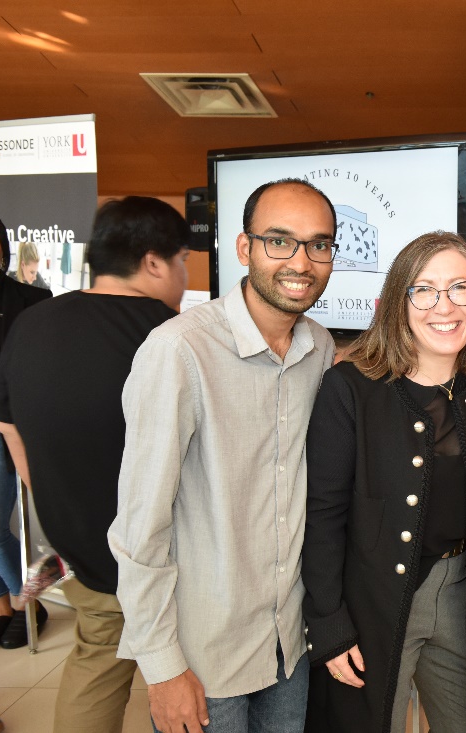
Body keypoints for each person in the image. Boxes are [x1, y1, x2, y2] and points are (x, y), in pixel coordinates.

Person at [108, 179, 338, 733]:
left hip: (288, 642)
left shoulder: (320, 348)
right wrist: (162, 669)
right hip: (204, 655)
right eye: (279, 241)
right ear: (244, 248)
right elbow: (141, 528)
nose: (300, 262)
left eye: (318, 244)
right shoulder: (179, 351)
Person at [0, 198, 188, 732]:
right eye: (181, 263)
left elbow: (6, 422)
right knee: (189, 674)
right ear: (153, 262)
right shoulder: (169, 334)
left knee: (99, 654)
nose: (183, 276)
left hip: (75, 543)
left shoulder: (33, 322)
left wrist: (54, 494)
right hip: (162, 553)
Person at [302, 231, 466, 733]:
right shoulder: (349, 389)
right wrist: (327, 623)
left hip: (465, 598)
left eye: (461, 287)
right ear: (398, 302)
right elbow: (323, 515)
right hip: (375, 602)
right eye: (424, 289)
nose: (445, 305)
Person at [0, 214, 53, 651]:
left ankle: (31, 601)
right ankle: (1, 608)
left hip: (1, 429)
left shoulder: (29, 299)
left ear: (3, 248)